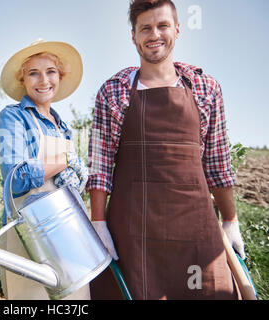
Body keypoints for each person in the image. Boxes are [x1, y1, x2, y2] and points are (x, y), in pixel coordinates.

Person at [88, 0, 245, 300]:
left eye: (162, 26)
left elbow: (217, 164)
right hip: (133, 232)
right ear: (133, 35)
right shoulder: (114, 90)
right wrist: (98, 222)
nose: (154, 35)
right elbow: (100, 164)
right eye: (145, 28)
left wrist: (230, 221)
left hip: (195, 232)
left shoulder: (205, 88)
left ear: (177, 29)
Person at [0, 39, 89, 300]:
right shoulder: (14, 116)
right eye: (33, 73)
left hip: (66, 232)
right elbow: (14, 180)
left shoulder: (62, 125)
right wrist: (65, 160)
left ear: (60, 76)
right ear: (23, 80)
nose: (43, 80)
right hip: (29, 233)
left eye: (50, 72)